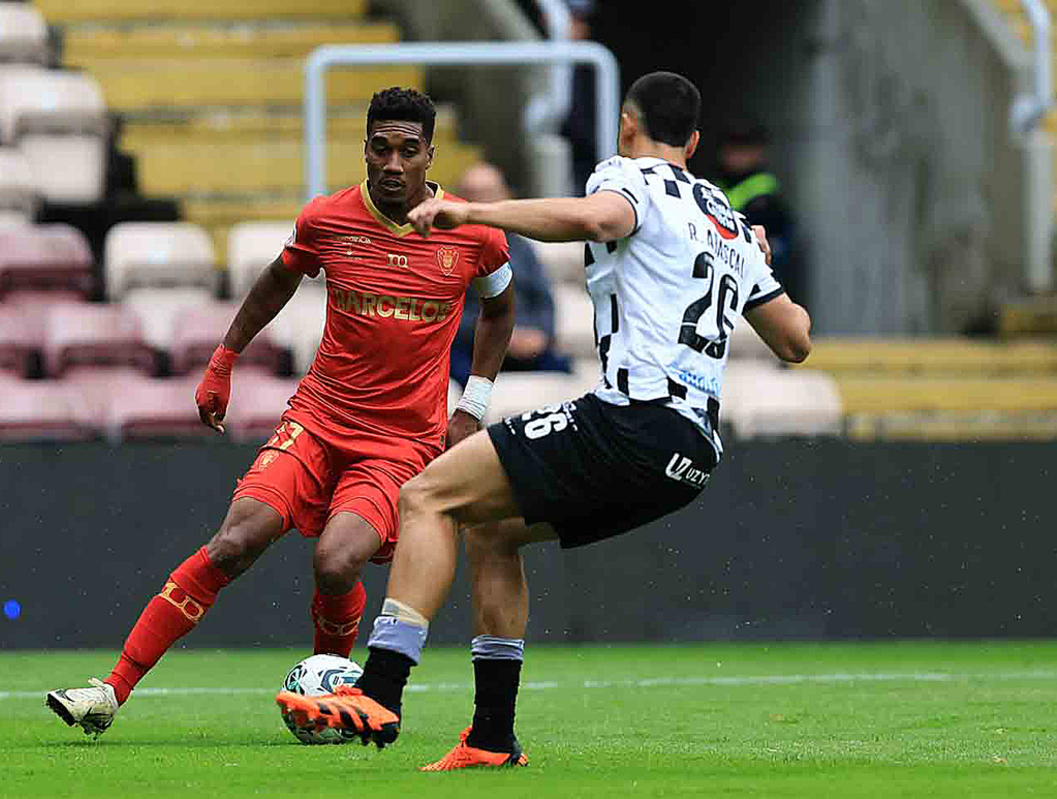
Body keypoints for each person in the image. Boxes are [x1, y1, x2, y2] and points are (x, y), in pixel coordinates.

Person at [276, 72, 812, 769]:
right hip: (692, 455)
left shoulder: (631, 177)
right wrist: (751, 259)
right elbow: (795, 339)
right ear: (698, 141)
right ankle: (492, 737)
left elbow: (598, 220)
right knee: (493, 529)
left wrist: (471, 213)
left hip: (632, 418)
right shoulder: (729, 220)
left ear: (626, 125)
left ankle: (377, 693)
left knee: (426, 494)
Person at [45, 87, 517, 737]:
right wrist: (223, 359)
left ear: (429, 155)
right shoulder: (329, 218)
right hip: (318, 419)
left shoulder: (473, 232)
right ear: (366, 149)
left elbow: (500, 308)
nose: (392, 162)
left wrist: (474, 403)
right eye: (381, 147)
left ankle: (332, 685)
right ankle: (110, 691)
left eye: (408, 150)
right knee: (235, 541)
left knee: (335, 561)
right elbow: (277, 278)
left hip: (400, 442)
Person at [449, 162, 570, 386]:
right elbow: (447, 315)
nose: (482, 202)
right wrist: (503, 336)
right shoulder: (447, 253)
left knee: (565, 370)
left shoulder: (522, 248)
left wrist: (541, 335)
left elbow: (544, 301)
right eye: (472, 195)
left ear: (506, 197)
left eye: (489, 194)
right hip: (474, 346)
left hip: (526, 346)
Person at [714, 118, 800, 299]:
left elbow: (775, 252)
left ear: (759, 152)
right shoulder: (715, 187)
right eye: (732, 147)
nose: (735, 155)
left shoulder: (765, 195)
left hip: (753, 290)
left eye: (743, 148)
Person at [559, 0, 600, 193]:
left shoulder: (595, 65)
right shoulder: (534, 58)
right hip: (559, 155)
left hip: (585, 160)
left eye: (582, 20)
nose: (577, 27)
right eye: (572, 18)